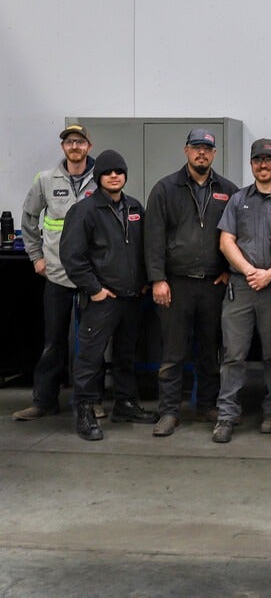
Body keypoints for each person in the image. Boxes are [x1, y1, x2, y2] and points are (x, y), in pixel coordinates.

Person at [144, 128, 238, 437]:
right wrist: (157, 279)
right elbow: (153, 238)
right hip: (176, 285)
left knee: (209, 350)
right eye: (196, 148)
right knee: (173, 352)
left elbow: (237, 236)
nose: (202, 153)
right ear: (186, 151)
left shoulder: (228, 190)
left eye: (207, 149)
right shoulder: (165, 189)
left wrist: (229, 271)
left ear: (214, 153)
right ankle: (169, 411)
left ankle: (206, 406)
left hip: (213, 285)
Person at [60, 150, 158, 440]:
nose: (114, 176)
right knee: (90, 358)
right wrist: (95, 289)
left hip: (132, 298)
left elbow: (145, 248)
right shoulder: (85, 210)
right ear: (99, 177)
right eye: (107, 172)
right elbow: (72, 256)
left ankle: (125, 404)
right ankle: (86, 410)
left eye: (119, 171)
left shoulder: (135, 207)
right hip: (103, 299)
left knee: (126, 355)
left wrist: (143, 282)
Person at [211, 139, 271, 442]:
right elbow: (226, 242)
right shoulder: (237, 200)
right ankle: (226, 416)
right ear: (251, 164)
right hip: (241, 287)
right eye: (258, 160)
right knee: (233, 355)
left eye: (269, 159)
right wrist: (250, 272)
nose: (263, 165)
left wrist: (269, 274)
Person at [14, 124, 100, 421]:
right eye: (69, 142)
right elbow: (29, 219)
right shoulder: (46, 180)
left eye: (80, 142)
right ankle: (44, 400)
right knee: (53, 341)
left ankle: (92, 402)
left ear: (89, 146)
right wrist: (36, 256)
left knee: (92, 343)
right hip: (57, 275)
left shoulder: (102, 179)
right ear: (63, 147)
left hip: (92, 277)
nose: (74, 146)